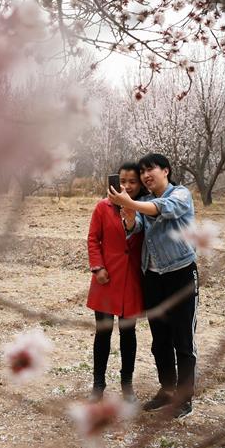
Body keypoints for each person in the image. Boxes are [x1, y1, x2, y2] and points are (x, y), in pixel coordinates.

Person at [108, 153, 198, 420]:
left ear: (166, 171)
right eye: (143, 172)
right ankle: (167, 390)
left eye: (151, 170)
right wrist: (129, 214)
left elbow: (164, 208)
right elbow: (135, 229)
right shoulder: (142, 202)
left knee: (183, 340)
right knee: (160, 341)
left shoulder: (181, 194)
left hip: (180, 275)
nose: (146, 176)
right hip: (154, 278)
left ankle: (184, 398)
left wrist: (131, 203)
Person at [85, 162, 147, 401]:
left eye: (132, 182)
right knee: (103, 334)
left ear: (139, 184)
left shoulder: (144, 208)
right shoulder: (102, 207)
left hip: (131, 280)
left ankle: (127, 384)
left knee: (128, 333)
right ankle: (98, 385)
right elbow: (93, 239)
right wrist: (98, 267)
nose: (127, 186)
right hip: (106, 279)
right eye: (122, 181)